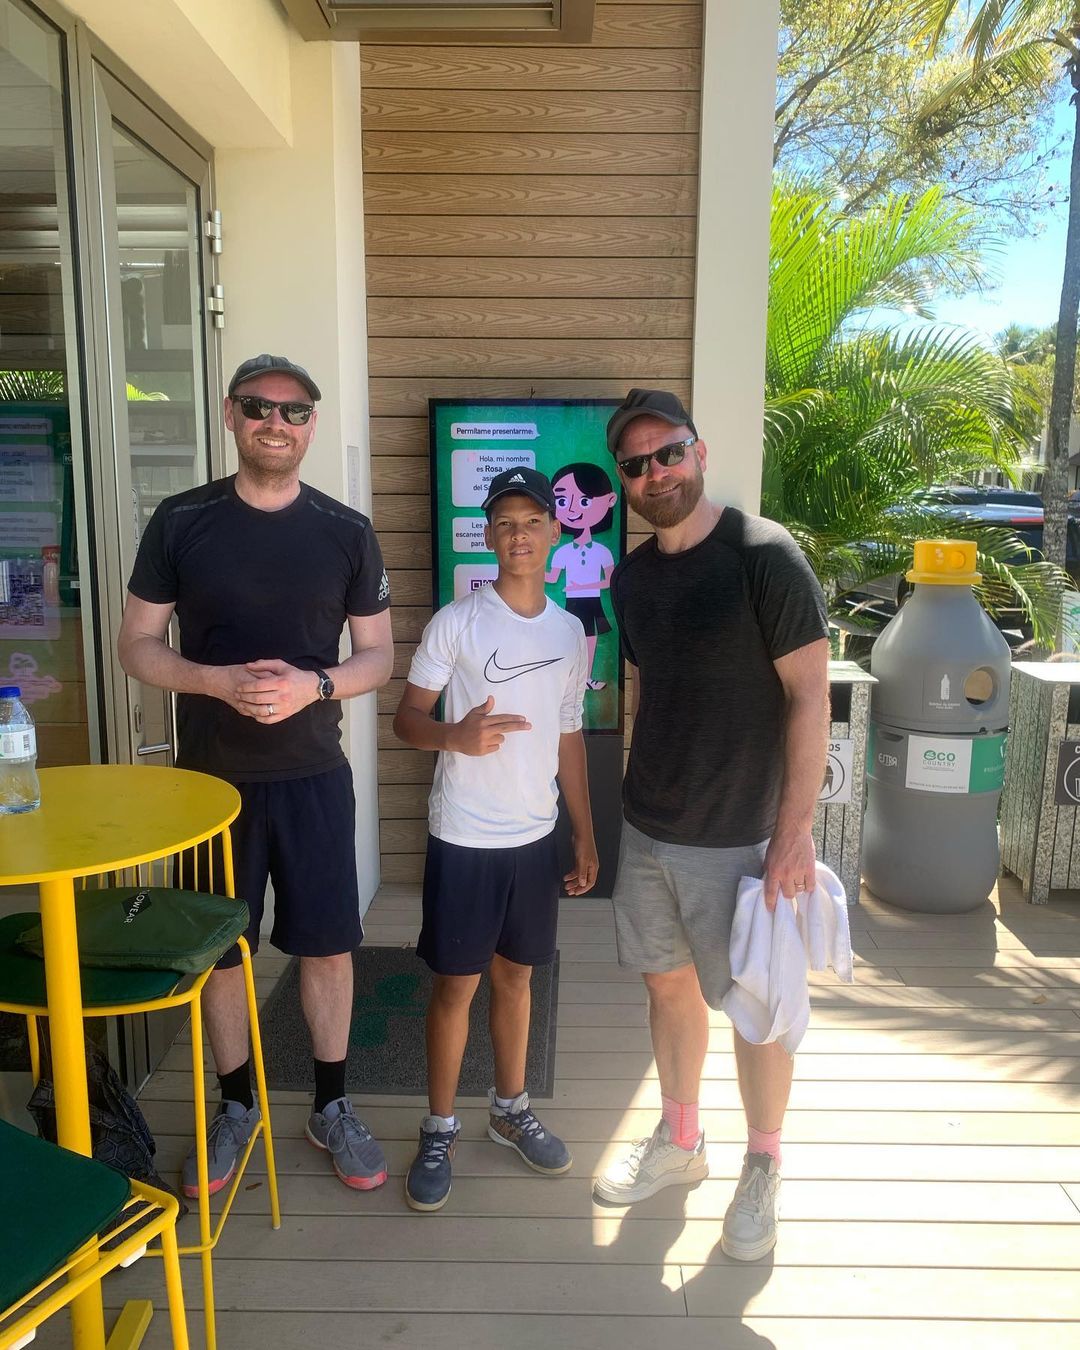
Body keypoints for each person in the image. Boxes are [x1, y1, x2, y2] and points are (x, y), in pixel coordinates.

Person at [117, 353, 394, 1196]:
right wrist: (213, 680)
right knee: (221, 953)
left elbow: (378, 656)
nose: (277, 421)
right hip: (209, 787)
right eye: (258, 406)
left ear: (311, 425)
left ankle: (332, 1105)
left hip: (312, 774)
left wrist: (315, 684)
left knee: (328, 947)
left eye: (295, 411)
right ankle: (235, 1107)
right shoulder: (181, 520)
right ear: (232, 416)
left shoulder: (345, 530)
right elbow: (135, 643)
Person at [591, 389, 830, 1262]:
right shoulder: (635, 574)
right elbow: (648, 690)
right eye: (637, 464)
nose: (656, 473)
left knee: (758, 1012)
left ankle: (762, 1165)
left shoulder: (764, 554)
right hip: (650, 828)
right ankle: (682, 1142)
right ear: (624, 479)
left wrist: (795, 833)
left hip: (744, 837)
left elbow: (811, 697)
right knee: (667, 988)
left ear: (698, 450)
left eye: (669, 453)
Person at [393, 465, 599, 1212]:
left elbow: (569, 737)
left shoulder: (571, 630)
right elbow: (406, 720)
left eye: (532, 521)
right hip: (465, 838)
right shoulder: (458, 621)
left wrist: (583, 833)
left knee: (519, 978)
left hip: (536, 837)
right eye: (504, 523)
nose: (519, 534)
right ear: (489, 536)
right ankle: (439, 1125)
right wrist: (455, 735)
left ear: (554, 533)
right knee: (456, 985)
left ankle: (509, 1109)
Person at [545, 461, 618, 691]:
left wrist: (585, 584)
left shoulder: (602, 551)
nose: (574, 510)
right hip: (572, 602)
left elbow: (610, 580)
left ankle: (586, 678)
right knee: (569, 637)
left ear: (610, 501)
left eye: (585, 501)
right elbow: (552, 577)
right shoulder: (563, 552)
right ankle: (567, 679)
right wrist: (530, 570)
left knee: (590, 639)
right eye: (563, 501)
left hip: (592, 600)